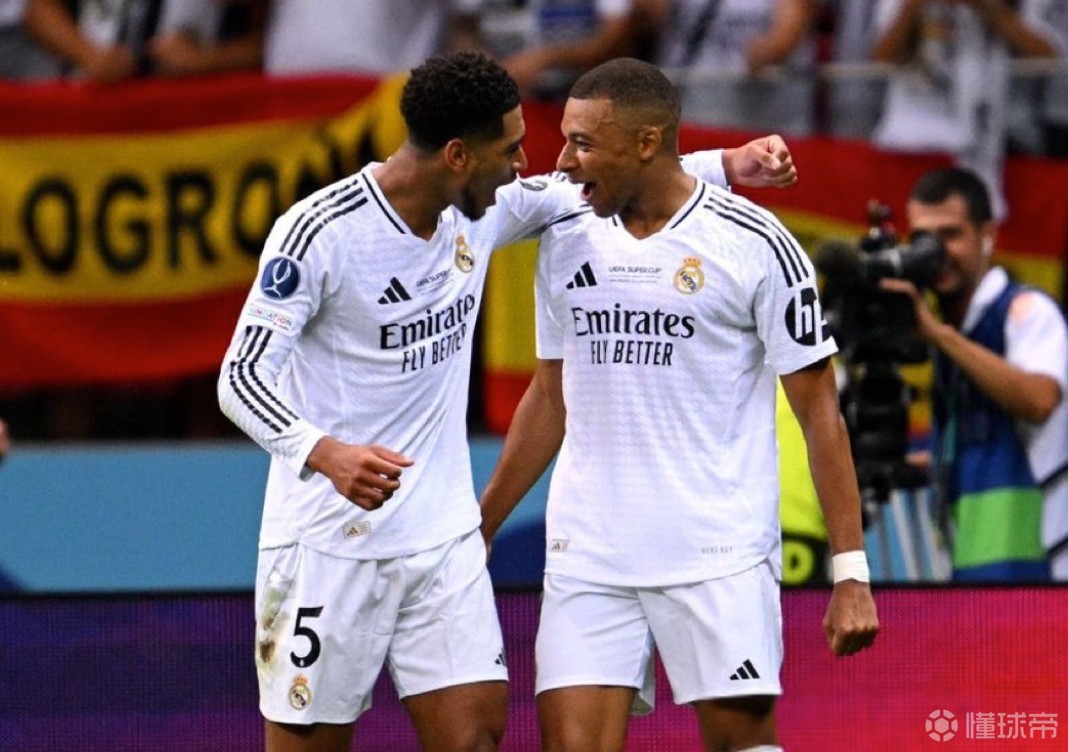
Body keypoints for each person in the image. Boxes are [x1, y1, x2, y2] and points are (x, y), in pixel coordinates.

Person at [217, 49, 800, 752]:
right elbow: (240, 379)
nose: (526, 164)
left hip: (441, 541)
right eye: (511, 150)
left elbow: (599, 182)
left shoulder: (482, 210)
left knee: (476, 735)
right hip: (328, 544)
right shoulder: (320, 233)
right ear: (458, 155)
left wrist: (729, 163)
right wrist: (326, 453)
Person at [479, 58, 878, 752]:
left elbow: (820, 412)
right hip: (588, 554)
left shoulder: (757, 244)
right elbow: (550, 395)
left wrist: (851, 574)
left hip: (717, 554)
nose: (564, 162)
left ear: (646, 142)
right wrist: (481, 526)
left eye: (582, 143)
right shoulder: (567, 230)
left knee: (741, 744)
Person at [880, 167, 1068, 582]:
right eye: (923, 237)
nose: (936, 252)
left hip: (1040, 568)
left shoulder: (1025, 311)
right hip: (976, 566)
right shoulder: (955, 333)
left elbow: (1040, 400)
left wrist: (938, 335)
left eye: (950, 235)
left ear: (988, 235)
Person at [869, 0, 1063, 218]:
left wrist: (988, 9)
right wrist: (913, 6)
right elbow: (880, 57)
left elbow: (1047, 55)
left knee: (966, 228)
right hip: (911, 139)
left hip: (980, 143)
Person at [638, 0, 821, 134]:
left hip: (766, 124)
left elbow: (786, 35)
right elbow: (649, 13)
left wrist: (768, 50)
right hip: (691, 115)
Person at [24, 0, 263, 83]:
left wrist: (207, 60)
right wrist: (87, 55)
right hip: (92, 114)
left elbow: (270, 39)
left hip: (195, 124)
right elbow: (38, 9)